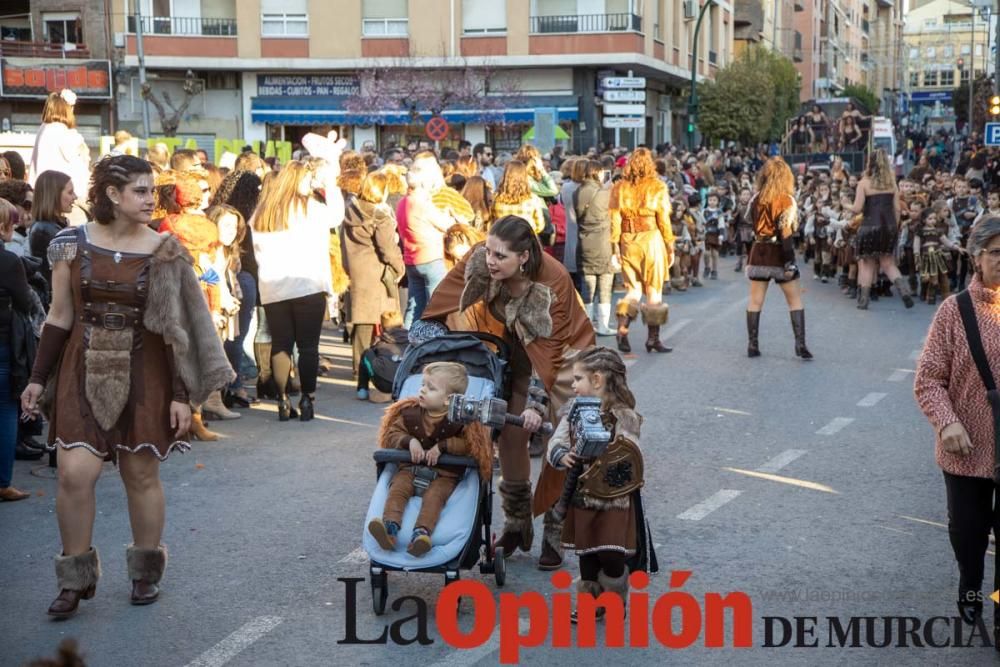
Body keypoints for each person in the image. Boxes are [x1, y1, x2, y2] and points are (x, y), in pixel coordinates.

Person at [19, 155, 233, 617]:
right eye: (140, 190)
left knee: (141, 474)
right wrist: (38, 379)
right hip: (82, 365)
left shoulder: (165, 250)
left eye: (151, 190)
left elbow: (175, 331)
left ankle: (144, 572)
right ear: (112, 196)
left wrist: (181, 395)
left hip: (147, 371)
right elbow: (58, 315)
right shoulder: (69, 244)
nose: (149, 198)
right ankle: (74, 581)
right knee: (75, 474)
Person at [417, 215, 595, 570]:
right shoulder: (482, 259)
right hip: (513, 349)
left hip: (565, 356)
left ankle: (556, 530)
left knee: (559, 440)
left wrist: (536, 403)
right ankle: (517, 523)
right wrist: (423, 338)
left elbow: (550, 349)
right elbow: (441, 302)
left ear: (524, 256)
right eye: (488, 251)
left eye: (500, 256)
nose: (490, 260)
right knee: (511, 434)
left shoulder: (553, 279)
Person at [914, 215, 1000, 629]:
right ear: (977, 256)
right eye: (998, 252)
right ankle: (970, 585)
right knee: (968, 535)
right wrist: (947, 422)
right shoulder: (954, 311)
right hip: (966, 449)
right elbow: (928, 379)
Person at [546, 346, 647, 620]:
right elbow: (557, 440)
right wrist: (562, 455)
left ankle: (614, 596)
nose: (573, 384)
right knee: (587, 552)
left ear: (598, 380)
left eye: (578, 378)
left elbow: (630, 453)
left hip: (614, 497)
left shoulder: (624, 416)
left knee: (612, 554)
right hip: (583, 494)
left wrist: (609, 450)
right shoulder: (574, 412)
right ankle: (591, 602)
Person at [252, 158, 344, 422]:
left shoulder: (262, 212)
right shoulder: (310, 209)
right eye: (308, 179)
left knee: (281, 344)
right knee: (308, 347)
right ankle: (307, 398)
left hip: (273, 287)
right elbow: (337, 215)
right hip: (307, 284)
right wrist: (330, 184)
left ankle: (282, 400)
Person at [368, 362, 491, 556]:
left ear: (448, 400)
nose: (422, 390)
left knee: (434, 497)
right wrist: (409, 441)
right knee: (398, 489)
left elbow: (471, 445)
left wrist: (443, 446)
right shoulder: (410, 413)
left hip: (444, 475)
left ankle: (421, 534)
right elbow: (392, 433)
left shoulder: (463, 423)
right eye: (422, 385)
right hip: (410, 468)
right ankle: (389, 529)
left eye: (430, 388)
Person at [744, 157, 812, 360]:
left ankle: (752, 345)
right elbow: (786, 231)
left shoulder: (756, 198)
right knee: (794, 299)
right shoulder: (786, 199)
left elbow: (748, 219)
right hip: (779, 252)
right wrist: (790, 260)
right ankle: (800, 345)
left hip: (759, 250)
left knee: (755, 301)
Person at [609, 148, 675, 354]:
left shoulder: (619, 187)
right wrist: (670, 245)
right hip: (651, 239)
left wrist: (615, 246)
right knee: (653, 292)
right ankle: (653, 339)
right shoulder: (657, 187)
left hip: (628, 240)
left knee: (633, 290)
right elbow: (663, 219)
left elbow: (614, 219)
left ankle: (622, 327)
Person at [342, 171, 406, 382]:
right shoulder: (380, 216)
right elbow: (388, 249)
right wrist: (400, 267)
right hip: (378, 275)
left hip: (358, 274)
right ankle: (384, 370)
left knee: (361, 327)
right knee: (389, 325)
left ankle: (358, 371)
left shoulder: (351, 211)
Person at [850, 148, 915, 310]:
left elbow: (857, 209)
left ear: (870, 164)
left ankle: (863, 301)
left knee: (867, 264)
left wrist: (846, 205)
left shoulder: (863, 183)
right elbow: (897, 210)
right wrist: (895, 227)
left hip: (869, 226)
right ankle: (905, 292)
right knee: (888, 263)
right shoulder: (891, 184)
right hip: (889, 226)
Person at [0, 198, 32, 501]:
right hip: (2, 343)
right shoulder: (9, 261)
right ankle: (2, 482)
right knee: (6, 408)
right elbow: (25, 301)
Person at [574, 159, 615, 336]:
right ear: (598, 172)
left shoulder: (578, 191)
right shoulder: (604, 193)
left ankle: (587, 325)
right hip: (603, 243)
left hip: (584, 242)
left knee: (587, 287)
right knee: (605, 285)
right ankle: (603, 325)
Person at [28, 90, 90, 203]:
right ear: (66, 109)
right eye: (71, 108)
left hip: (43, 195)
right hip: (65, 196)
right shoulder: (64, 132)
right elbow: (78, 161)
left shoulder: (43, 129)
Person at [28, 170, 74, 292]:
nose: (75, 197)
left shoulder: (53, 226)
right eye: (70, 192)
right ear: (54, 194)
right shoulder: (45, 230)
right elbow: (63, 269)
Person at [357, 310, 408, 400]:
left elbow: (373, 356)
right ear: (402, 325)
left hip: (384, 384)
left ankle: (362, 390)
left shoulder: (380, 342)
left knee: (367, 353)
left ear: (381, 328)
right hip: (406, 383)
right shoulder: (412, 340)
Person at [492, 161, 548, 235]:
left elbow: (493, 221)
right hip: (525, 239)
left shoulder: (495, 198)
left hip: (502, 239)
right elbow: (540, 225)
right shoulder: (533, 199)